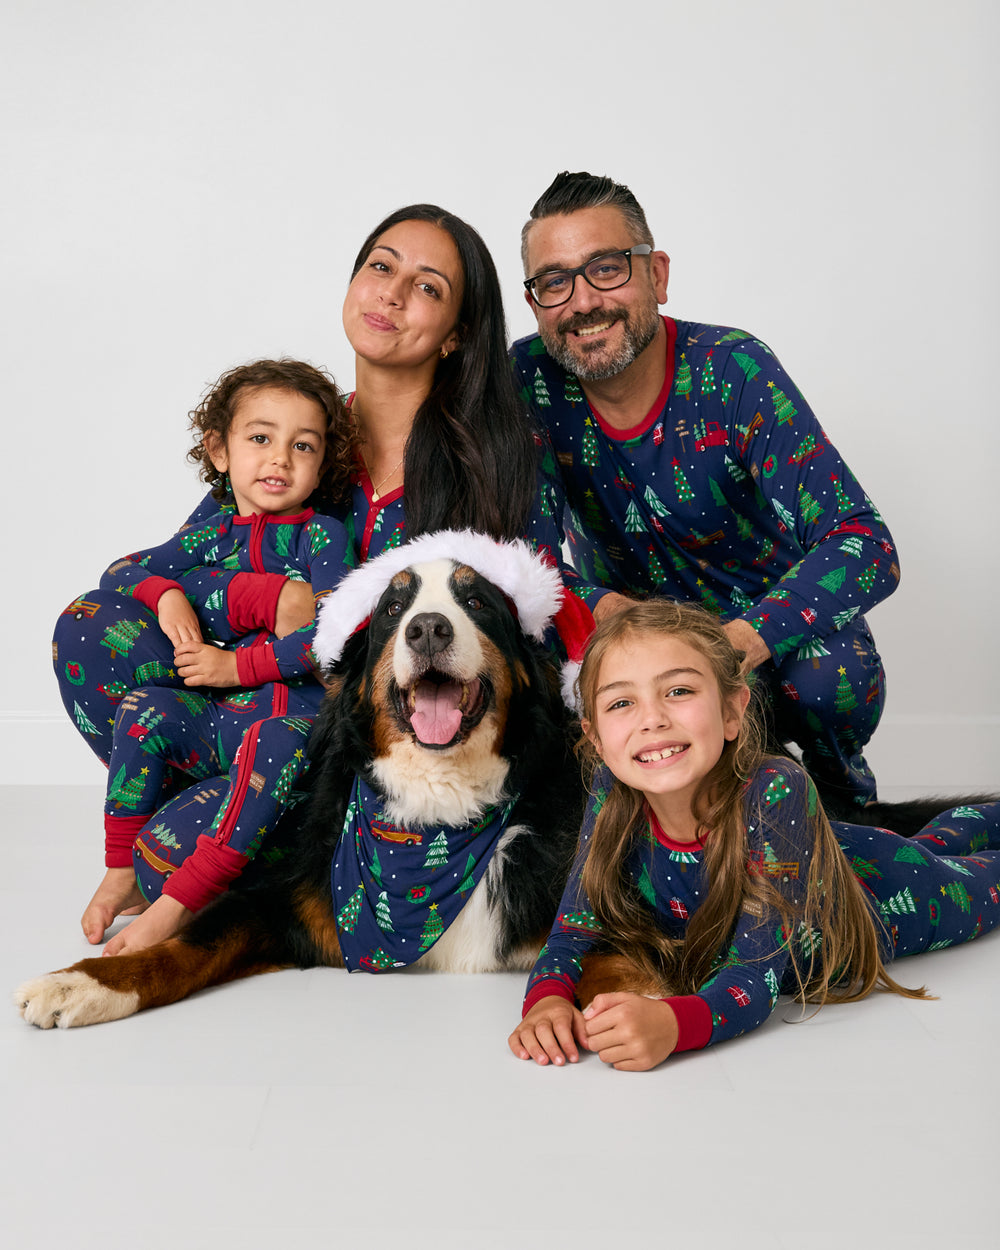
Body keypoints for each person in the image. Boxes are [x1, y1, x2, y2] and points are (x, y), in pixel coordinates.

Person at [54, 204, 577, 956]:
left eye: (427, 287)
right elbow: (191, 561)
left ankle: (241, 845)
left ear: (457, 332)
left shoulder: (501, 456)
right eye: (381, 266)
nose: (392, 293)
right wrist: (254, 597)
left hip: (385, 757)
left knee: (164, 854)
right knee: (92, 627)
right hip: (250, 714)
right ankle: (222, 816)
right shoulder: (296, 432)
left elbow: (538, 628)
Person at [511, 171, 899, 812]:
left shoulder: (733, 368)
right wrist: (617, 618)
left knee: (834, 674)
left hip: (765, 646)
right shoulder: (525, 382)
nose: (582, 301)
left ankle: (843, 807)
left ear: (657, 275)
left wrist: (740, 641)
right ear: (535, 304)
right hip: (634, 649)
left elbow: (865, 543)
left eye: (606, 268)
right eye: (555, 282)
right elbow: (527, 565)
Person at [508, 600, 1000, 1072]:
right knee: (941, 840)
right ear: (596, 738)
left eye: (678, 691)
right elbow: (573, 928)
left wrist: (674, 1024)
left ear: (732, 710)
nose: (652, 719)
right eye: (621, 702)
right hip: (829, 853)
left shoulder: (775, 787)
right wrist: (546, 999)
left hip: (890, 888)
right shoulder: (611, 790)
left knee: (968, 870)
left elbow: (755, 975)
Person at [72, 359, 354, 953]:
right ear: (219, 451)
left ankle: (176, 905)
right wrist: (165, 592)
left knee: (274, 743)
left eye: (303, 446)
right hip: (224, 721)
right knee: (147, 707)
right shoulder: (210, 534)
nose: (280, 459)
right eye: (261, 438)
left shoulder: (323, 536)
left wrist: (236, 667)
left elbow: (335, 632)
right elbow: (121, 572)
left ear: (322, 463)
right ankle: (120, 869)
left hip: (295, 729)